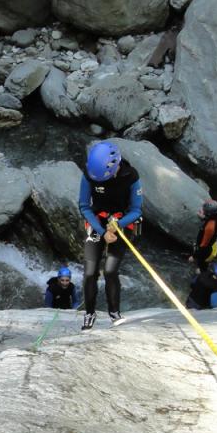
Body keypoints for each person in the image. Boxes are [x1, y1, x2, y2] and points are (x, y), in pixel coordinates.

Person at [79, 141, 143, 330]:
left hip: (121, 222)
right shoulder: (89, 173)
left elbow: (136, 210)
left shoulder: (130, 176)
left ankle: (114, 312)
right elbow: (84, 206)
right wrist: (101, 231)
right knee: (90, 272)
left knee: (110, 270)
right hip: (98, 221)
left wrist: (117, 225)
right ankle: (89, 313)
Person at [188, 199, 217, 271]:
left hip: (207, 251)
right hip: (212, 244)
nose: (202, 210)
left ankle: (201, 272)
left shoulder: (210, 227)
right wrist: (204, 218)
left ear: (209, 213)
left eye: (204, 210)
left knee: (201, 267)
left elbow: (204, 245)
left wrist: (194, 256)